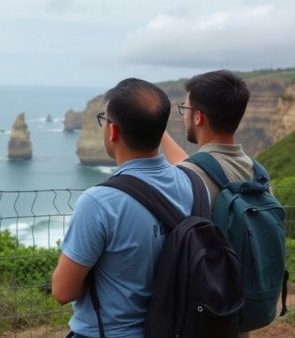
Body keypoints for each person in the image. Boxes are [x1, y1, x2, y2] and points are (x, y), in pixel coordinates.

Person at [52, 78, 196, 337]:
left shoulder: (99, 203)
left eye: (103, 120)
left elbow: (63, 292)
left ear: (113, 131)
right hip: (171, 328)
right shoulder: (192, 182)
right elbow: (185, 162)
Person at [160, 69, 255, 338]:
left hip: (207, 314)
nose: (184, 115)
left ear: (198, 116)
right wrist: (162, 135)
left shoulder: (190, 178)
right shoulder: (257, 171)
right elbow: (195, 165)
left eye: (184, 108)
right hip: (239, 304)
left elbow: (192, 171)